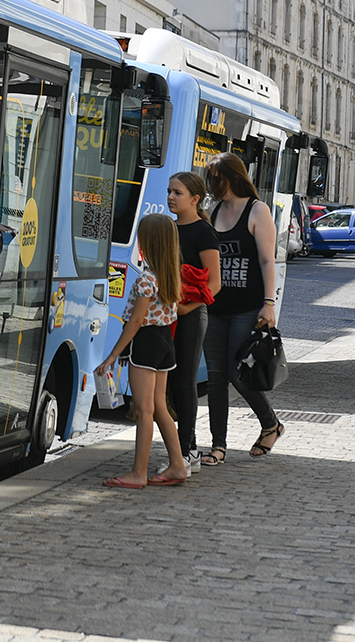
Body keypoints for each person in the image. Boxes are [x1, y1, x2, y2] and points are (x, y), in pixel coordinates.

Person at [202, 152, 285, 462]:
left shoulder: (257, 211)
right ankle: (218, 446)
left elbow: (267, 260)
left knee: (239, 372)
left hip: (248, 307)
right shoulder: (214, 209)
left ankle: (270, 424)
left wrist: (269, 304)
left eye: (216, 179)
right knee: (215, 376)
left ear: (234, 178)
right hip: (214, 306)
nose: (212, 185)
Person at [96, 214, 190, 488]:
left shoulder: (146, 279)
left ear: (148, 242)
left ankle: (138, 473)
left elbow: (135, 321)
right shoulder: (170, 275)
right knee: (159, 407)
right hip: (164, 343)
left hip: (145, 344)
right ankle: (177, 465)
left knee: (143, 409)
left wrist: (113, 355)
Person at [165, 171, 220, 474]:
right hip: (169, 313)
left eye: (178, 193)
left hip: (191, 314)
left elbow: (214, 284)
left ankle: (186, 452)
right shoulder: (169, 229)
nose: (171, 197)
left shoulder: (203, 232)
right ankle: (190, 449)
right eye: (170, 192)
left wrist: (186, 309)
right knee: (172, 382)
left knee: (185, 381)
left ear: (195, 199)